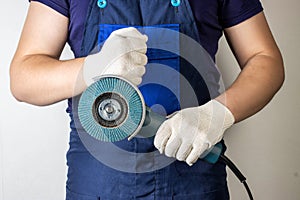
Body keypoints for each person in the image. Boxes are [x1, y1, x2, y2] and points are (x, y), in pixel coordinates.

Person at [10, 0, 284, 199]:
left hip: (194, 171)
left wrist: (218, 114)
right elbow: (23, 78)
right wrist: (92, 68)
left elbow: (266, 59)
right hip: (98, 182)